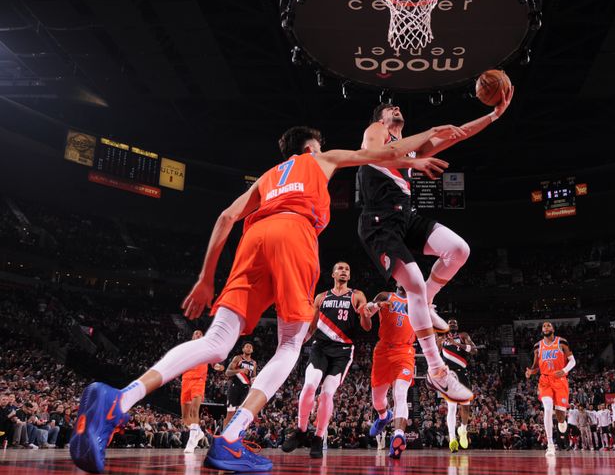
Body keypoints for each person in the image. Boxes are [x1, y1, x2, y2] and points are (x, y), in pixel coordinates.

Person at [69, 123, 459, 474]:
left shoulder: (268, 177)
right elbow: (380, 155)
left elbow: (225, 217)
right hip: (295, 234)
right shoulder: (319, 158)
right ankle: (231, 437)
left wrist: (207, 278)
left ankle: (120, 399)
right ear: (310, 147)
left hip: (253, 240)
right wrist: (418, 157)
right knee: (291, 344)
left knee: (216, 341)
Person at [357, 89, 513, 403]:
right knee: (412, 281)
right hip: (378, 222)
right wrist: (428, 134)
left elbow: (461, 133)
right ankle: (437, 370)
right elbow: (380, 155)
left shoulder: (411, 149)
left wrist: (495, 114)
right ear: (381, 119)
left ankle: (427, 300)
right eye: (390, 107)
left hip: (406, 217)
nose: (396, 107)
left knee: (459, 250)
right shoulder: (375, 132)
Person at [282, 261, 368, 458]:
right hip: (320, 347)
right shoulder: (321, 297)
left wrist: (365, 314)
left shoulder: (357, 295)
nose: (344, 271)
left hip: (343, 350)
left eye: (347, 269)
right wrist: (297, 344)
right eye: (340, 268)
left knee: (327, 394)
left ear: (349, 275)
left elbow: (366, 326)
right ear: (333, 274)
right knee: (310, 386)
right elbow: (311, 327)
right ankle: (301, 430)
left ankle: (319, 437)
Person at [360, 287, 416, 460]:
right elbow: (368, 312)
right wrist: (374, 305)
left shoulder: (418, 301)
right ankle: (384, 416)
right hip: (383, 351)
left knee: (400, 393)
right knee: (377, 401)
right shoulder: (386, 295)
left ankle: (398, 435)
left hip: (405, 352)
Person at [524, 322, 576, 456]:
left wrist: (564, 370)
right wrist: (530, 372)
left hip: (560, 379)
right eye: (543, 326)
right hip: (545, 380)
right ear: (542, 330)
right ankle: (550, 445)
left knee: (560, 415)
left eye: (548, 326)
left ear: (553, 329)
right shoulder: (537, 346)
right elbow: (535, 366)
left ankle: (562, 421)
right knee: (547, 408)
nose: (546, 327)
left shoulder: (562, 342)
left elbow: (572, 361)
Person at [181, 330, 225, 453]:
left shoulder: (207, 350)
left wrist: (218, 367)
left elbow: (216, 364)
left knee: (195, 411)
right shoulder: (186, 349)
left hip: (199, 381)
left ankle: (191, 443)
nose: (198, 334)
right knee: (185, 418)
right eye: (196, 333)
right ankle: (198, 432)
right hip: (185, 380)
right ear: (192, 336)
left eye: (200, 333)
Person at [437, 318, 477, 453]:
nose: (452, 325)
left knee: (465, 407)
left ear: (457, 326)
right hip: (449, 375)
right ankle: (452, 439)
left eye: (455, 323)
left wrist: (457, 344)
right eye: (450, 323)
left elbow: (474, 351)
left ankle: (463, 430)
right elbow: (435, 354)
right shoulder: (441, 338)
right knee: (452, 407)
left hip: (462, 373)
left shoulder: (463, 336)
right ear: (446, 326)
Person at [224, 342, 257, 427]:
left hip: (245, 389)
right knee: (230, 413)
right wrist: (239, 371)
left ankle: (235, 436)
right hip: (235, 387)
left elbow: (253, 377)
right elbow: (227, 372)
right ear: (243, 349)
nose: (249, 348)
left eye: (250, 347)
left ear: (252, 350)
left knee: (241, 415)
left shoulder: (254, 363)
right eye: (247, 346)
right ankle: (223, 436)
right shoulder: (238, 358)